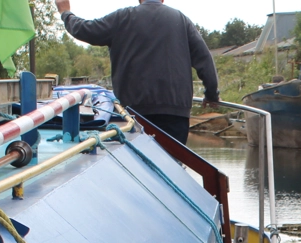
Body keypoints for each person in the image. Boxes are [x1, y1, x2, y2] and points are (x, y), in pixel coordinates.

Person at [55, 0, 219, 146]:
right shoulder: (181, 20)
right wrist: (211, 94)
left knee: (141, 165)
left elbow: (85, 29)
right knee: (172, 165)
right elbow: (204, 59)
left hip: (135, 113)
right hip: (175, 114)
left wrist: (66, 13)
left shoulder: (122, 18)